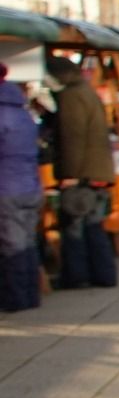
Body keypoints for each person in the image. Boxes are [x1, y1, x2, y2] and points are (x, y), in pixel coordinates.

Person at [44, 57, 115, 289]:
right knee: (94, 226)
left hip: (81, 173)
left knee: (74, 226)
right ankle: (103, 274)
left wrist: (70, 174)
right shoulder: (86, 90)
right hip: (97, 171)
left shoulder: (71, 96)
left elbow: (71, 139)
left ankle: (76, 275)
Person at [0, 65, 43, 311]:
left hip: (8, 188)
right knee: (26, 243)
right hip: (29, 185)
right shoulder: (22, 112)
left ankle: (17, 299)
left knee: (13, 246)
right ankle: (30, 295)